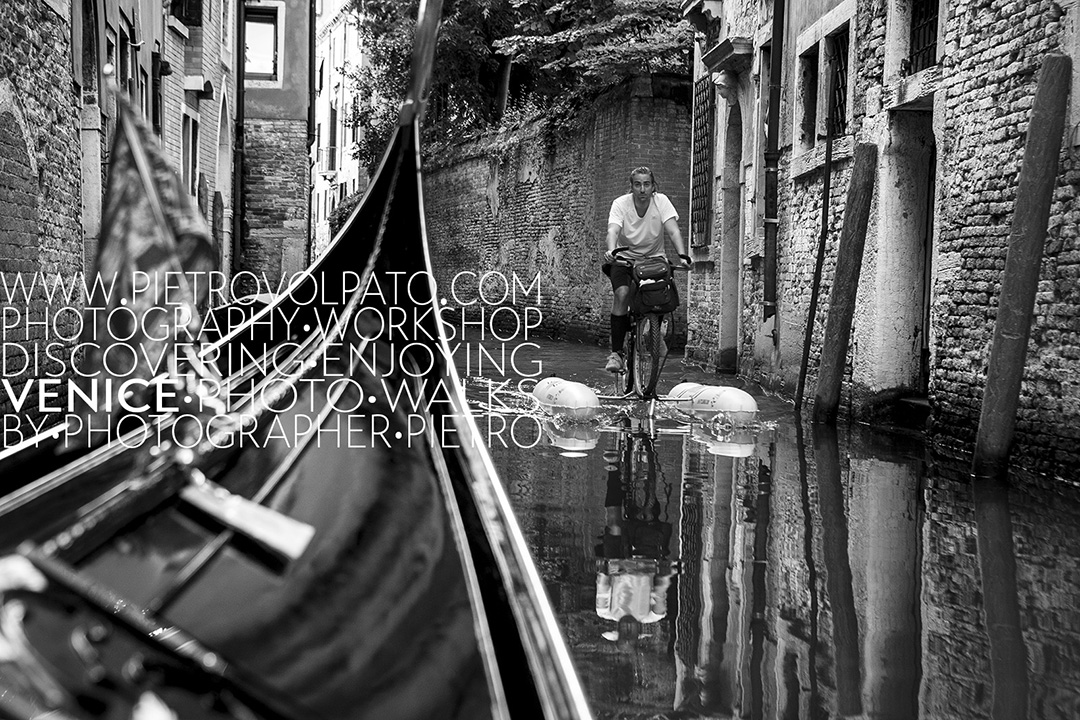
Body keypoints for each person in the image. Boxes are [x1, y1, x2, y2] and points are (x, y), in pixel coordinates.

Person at [603, 167, 691, 373]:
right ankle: (616, 353)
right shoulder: (620, 204)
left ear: (653, 187)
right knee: (622, 293)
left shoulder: (661, 202)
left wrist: (682, 255)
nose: (642, 189)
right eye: (637, 184)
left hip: (653, 259)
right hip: (624, 258)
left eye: (646, 184)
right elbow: (612, 230)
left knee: (660, 296)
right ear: (631, 187)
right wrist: (611, 250)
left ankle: (652, 334)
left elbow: (673, 230)